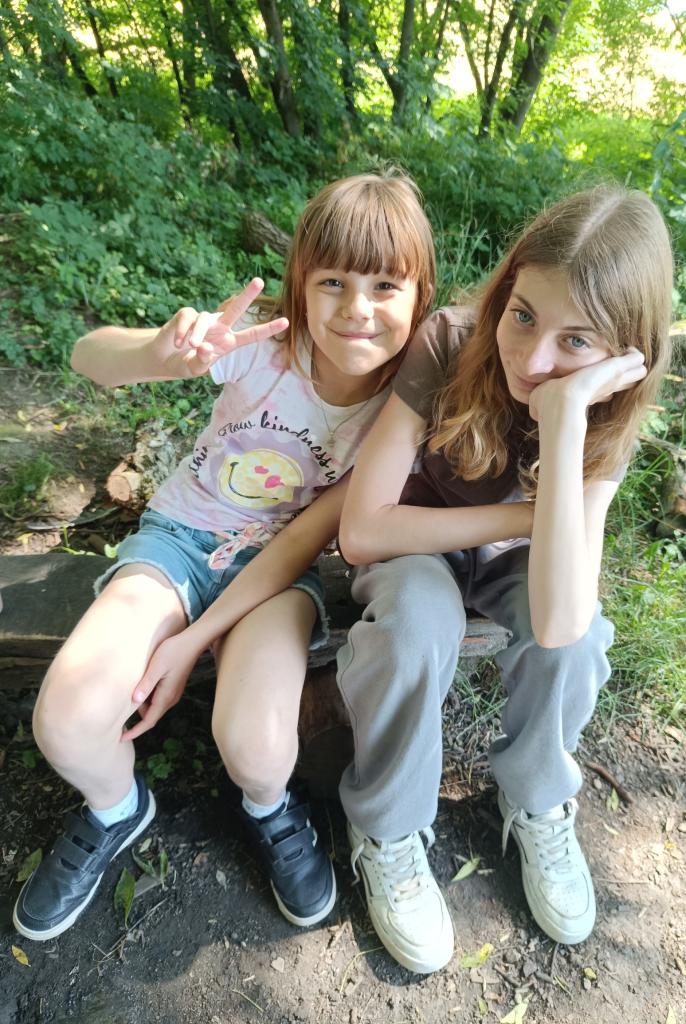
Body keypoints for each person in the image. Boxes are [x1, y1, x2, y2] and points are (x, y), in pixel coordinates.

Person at [13, 171, 435, 942]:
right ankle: (115, 808)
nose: (357, 308)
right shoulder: (261, 349)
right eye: (333, 282)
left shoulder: (397, 414)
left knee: (259, 750)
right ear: (300, 284)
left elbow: (301, 540)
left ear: (420, 296)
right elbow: (87, 357)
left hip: (279, 573)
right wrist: (158, 353)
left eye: (385, 285)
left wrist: (191, 643)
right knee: (66, 720)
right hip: (177, 538)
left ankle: (269, 809)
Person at [334, 185, 674, 973]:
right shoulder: (451, 344)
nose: (534, 359)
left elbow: (558, 620)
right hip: (417, 543)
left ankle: (537, 797)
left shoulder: (609, 413)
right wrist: (528, 516)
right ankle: (387, 826)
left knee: (577, 641)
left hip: (518, 566)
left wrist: (567, 419)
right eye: (523, 315)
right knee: (416, 623)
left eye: (576, 341)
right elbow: (363, 530)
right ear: (505, 292)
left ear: (625, 353)